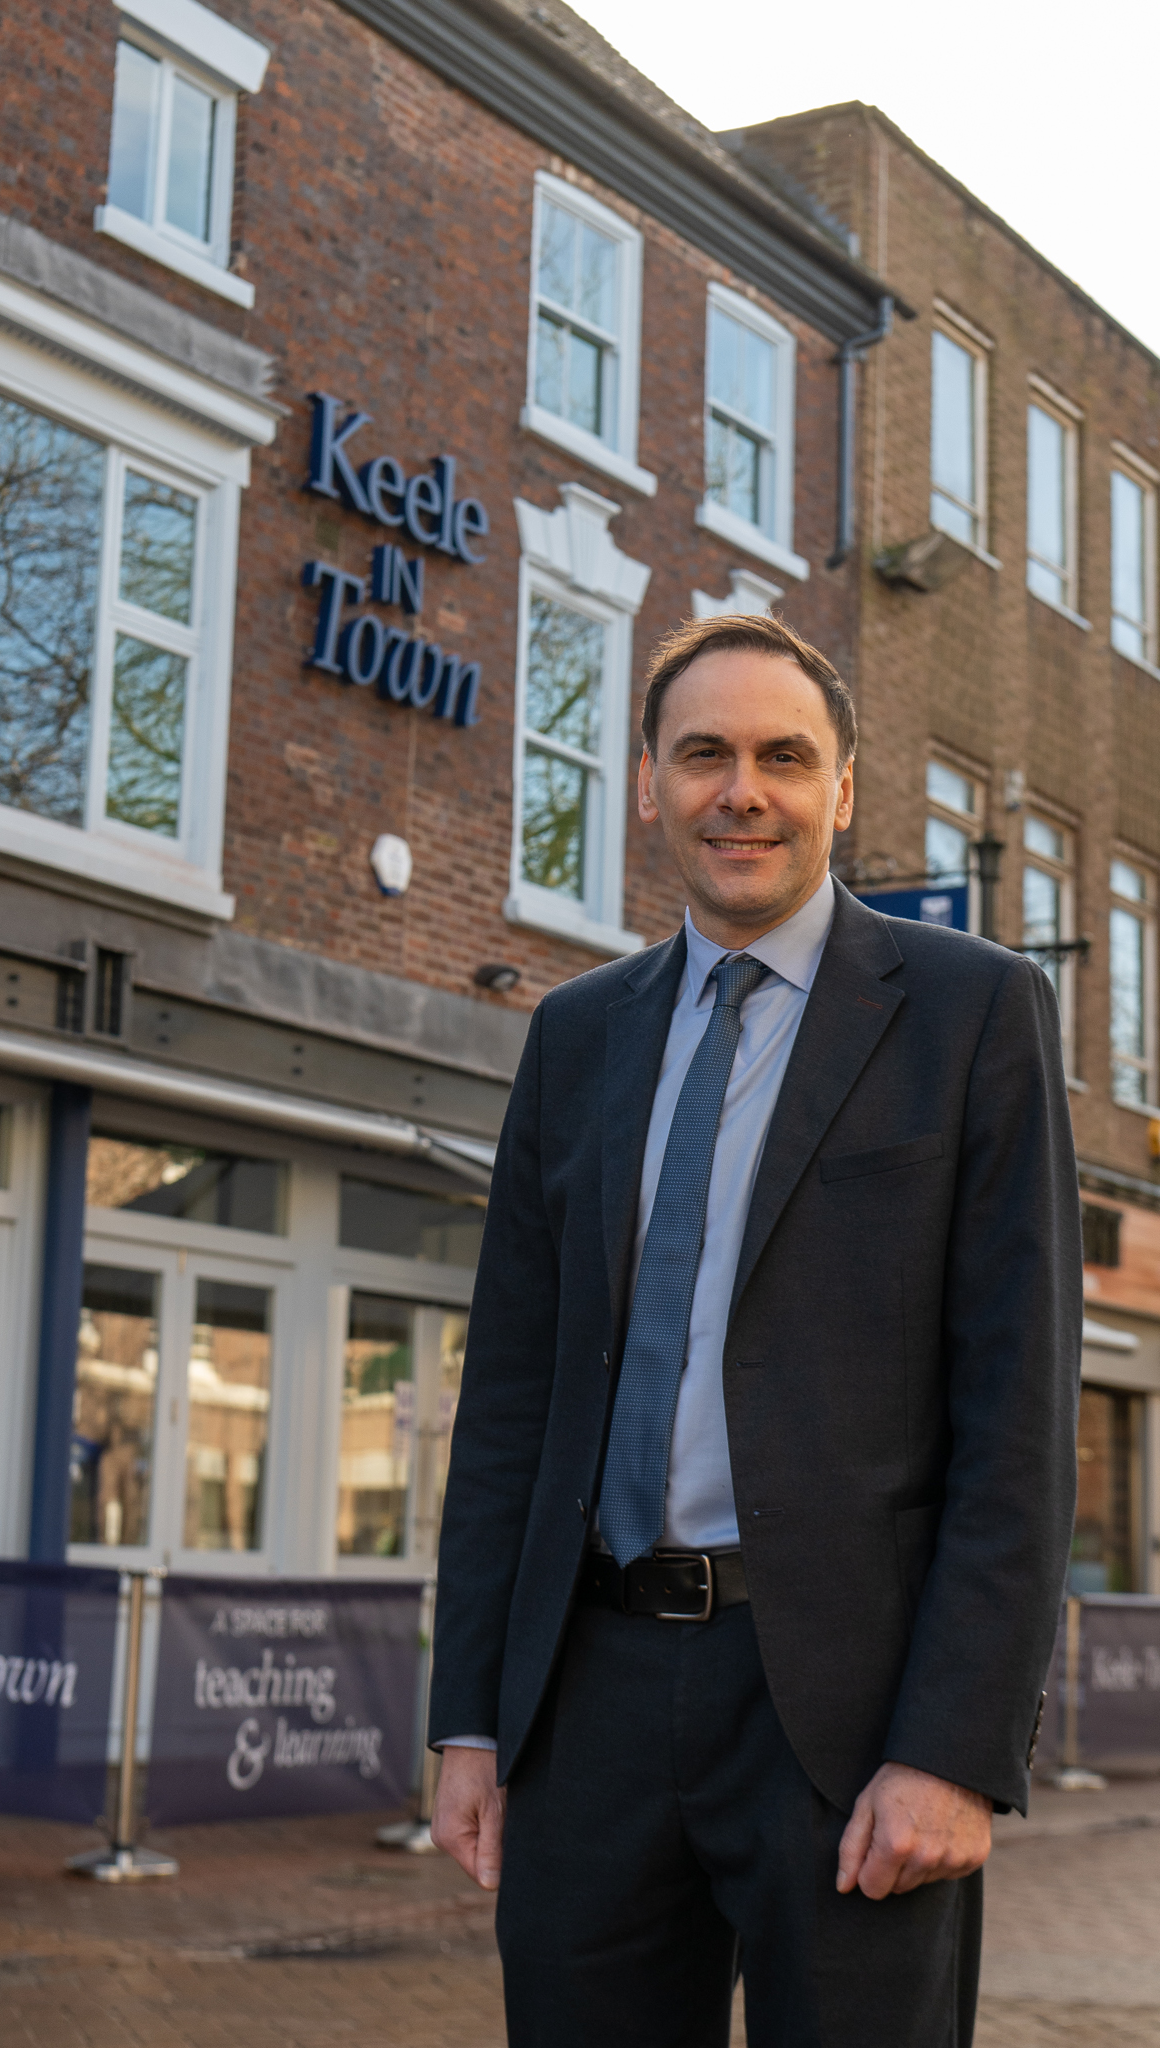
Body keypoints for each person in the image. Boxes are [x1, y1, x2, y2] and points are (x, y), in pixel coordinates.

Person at [428, 615, 1080, 2046]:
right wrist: (469, 1719)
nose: (744, 791)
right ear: (648, 780)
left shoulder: (972, 1012)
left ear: (842, 791)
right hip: (585, 1699)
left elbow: (1016, 1415)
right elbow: (512, 1406)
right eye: (704, 754)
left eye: (785, 757)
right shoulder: (576, 1033)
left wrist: (952, 1750)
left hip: (845, 1724)